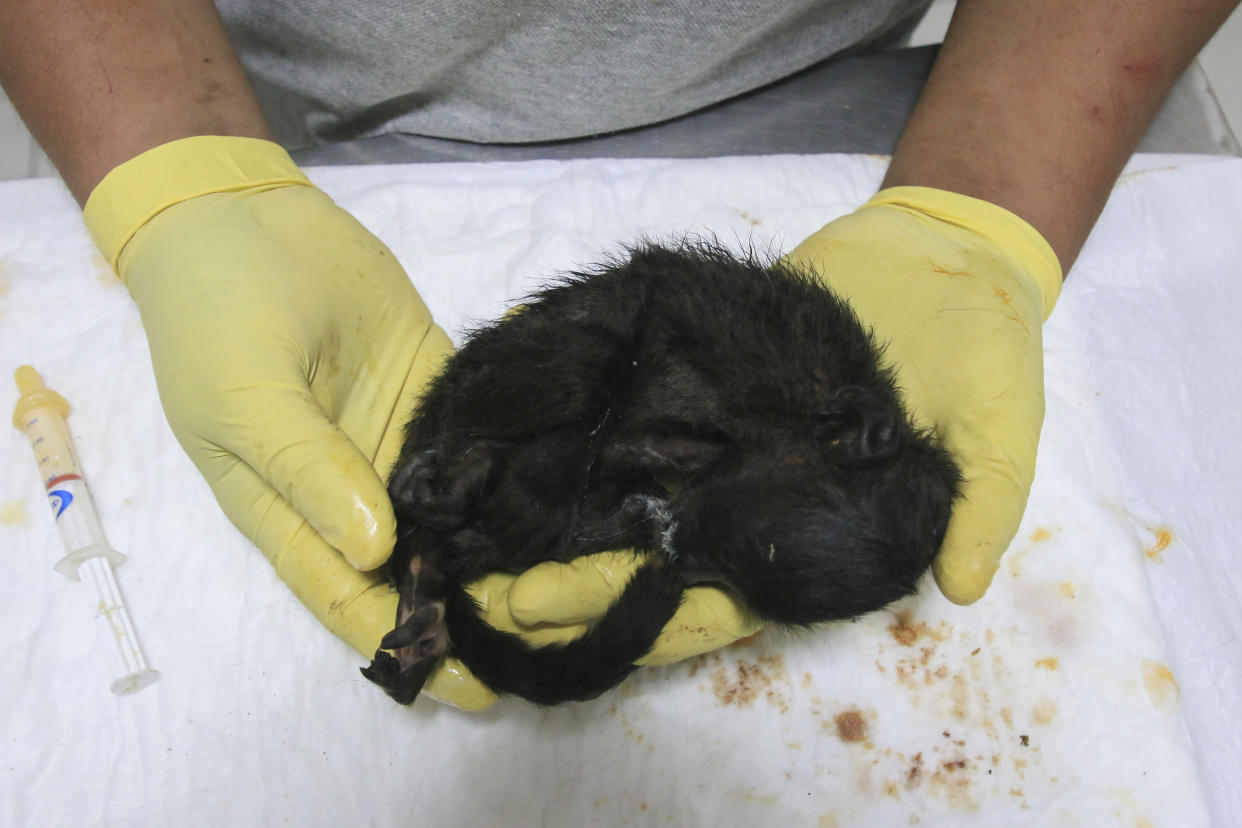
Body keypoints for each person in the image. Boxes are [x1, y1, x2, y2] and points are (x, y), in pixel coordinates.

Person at [1, 0, 1236, 709]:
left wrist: (989, 200)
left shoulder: (760, 434)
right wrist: (174, 171)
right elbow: (632, 353)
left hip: (869, 84)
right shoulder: (768, 383)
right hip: (261, 90)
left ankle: (440, 573)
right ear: (832, 451)